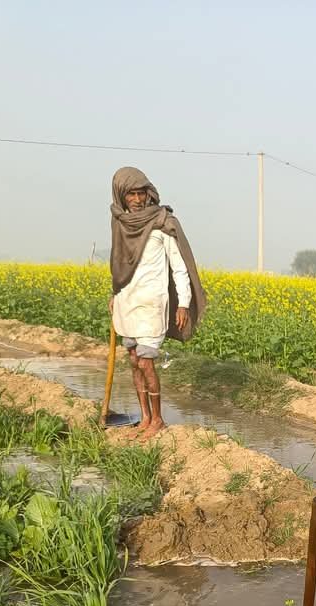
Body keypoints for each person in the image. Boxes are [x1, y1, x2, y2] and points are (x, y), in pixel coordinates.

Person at [108, 166, 206, 439]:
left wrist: (183, 303)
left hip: (153, 303)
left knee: (147, 361)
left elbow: (179, 266)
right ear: (122, 196)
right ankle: (145, 418)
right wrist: (115, 294)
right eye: (132, 195)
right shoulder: (120, 224)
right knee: (133, 359)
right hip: (127, 301)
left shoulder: (163, 223)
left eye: (141, 194)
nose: (137, 200)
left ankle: (158, 420)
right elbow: (120, 265)